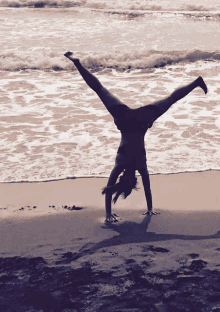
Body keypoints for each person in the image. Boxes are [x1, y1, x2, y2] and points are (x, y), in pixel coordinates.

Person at [64, 52, 208, 223]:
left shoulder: (137, 165)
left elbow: (142, 188)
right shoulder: (122, 164)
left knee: (169, 99)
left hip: (139, 121)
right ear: (125, 178)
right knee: (100, 90)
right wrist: (113, 213)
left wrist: (148, 209)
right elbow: (113, 188)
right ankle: (78, 64)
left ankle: (196, 82)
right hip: (127, 120)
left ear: (133, 179)